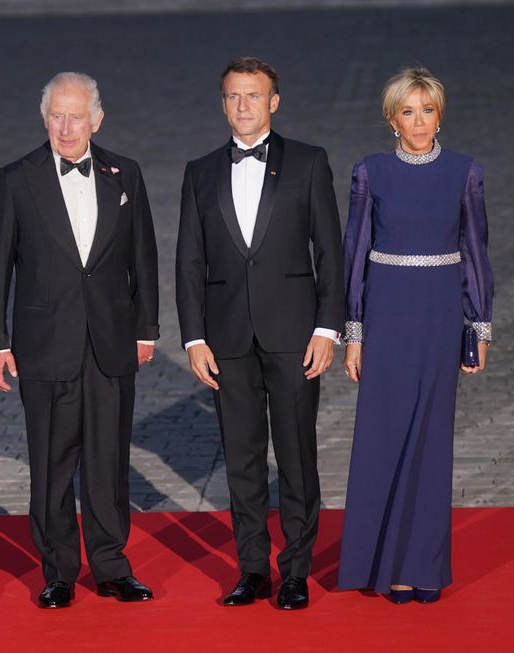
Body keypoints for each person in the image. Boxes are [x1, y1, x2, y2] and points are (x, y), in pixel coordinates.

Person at [0, 72, 159, 608]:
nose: (65, 125)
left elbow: (142, 259)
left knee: (108, 461)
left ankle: (111, 566)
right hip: (44, 343)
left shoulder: (125, 173)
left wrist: (146, 329)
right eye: (56, 114)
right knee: (52, 464)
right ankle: (57, 570)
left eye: (75, 115)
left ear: (96, 119)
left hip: (111, 342)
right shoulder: (16, 179)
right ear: (44, 118)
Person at [175, 57, 344, 610]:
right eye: (233, 96)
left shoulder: (309, 163)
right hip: (227, 342)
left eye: (253, 95)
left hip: (296, 334)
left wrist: (327, 327)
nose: (242, 105)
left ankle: (295, 569)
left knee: (296, 456)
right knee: (241, 458)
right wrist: (194, 338)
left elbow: (331, 254)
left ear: (274, 101)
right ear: (222, 102)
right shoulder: (198, 172)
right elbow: (188, 260)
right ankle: (253, 569)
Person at [337, 67, 494, 604]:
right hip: (385, 316)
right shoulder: (370, 173)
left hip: (438, 316)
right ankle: (378, 564)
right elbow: (353, 254)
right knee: (382, 437)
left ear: (440, 115)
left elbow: (475, 252)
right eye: (408, 111)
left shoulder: (464, 172)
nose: (419, 120)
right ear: (392, 118)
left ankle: (420, 566)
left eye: (427, 110)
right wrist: (352, 332)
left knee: (430, 442)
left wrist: (478, 324)